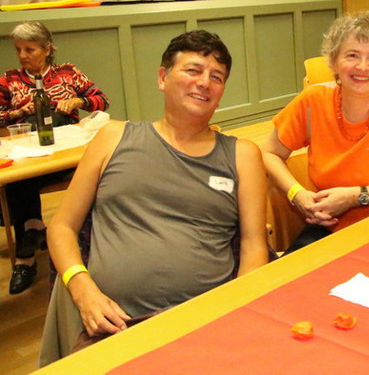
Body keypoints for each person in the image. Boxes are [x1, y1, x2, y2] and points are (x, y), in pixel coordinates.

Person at [41, 30, 268, 363]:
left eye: (216, 77)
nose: (204, 82)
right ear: (163, 78)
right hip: (113, 324)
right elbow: (61, 226)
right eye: (193, 70)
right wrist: (82, 289)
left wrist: (236, 315)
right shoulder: (113, 138)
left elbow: (254, 245)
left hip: (204, 324)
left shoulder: (242, 155)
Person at [262, 10, 369, 249]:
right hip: (329, 224)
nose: (362, 66)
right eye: (352, 55)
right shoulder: (313, 101)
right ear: (334, 61)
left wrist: (356, 196)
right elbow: (268, 152)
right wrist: (297, 194)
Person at [1, 21, 109, 294]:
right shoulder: (10, 80)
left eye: (30, 49)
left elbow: (101, 100)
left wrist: (79, 101)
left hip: (65, 155)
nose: (23, 55)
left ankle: (44, 237)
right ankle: (26, 254)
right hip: (29, 155)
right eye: (19, 50)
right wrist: (18, 112)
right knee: (19, 179)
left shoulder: (67, 74)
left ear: (47, 49)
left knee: (93, 170)